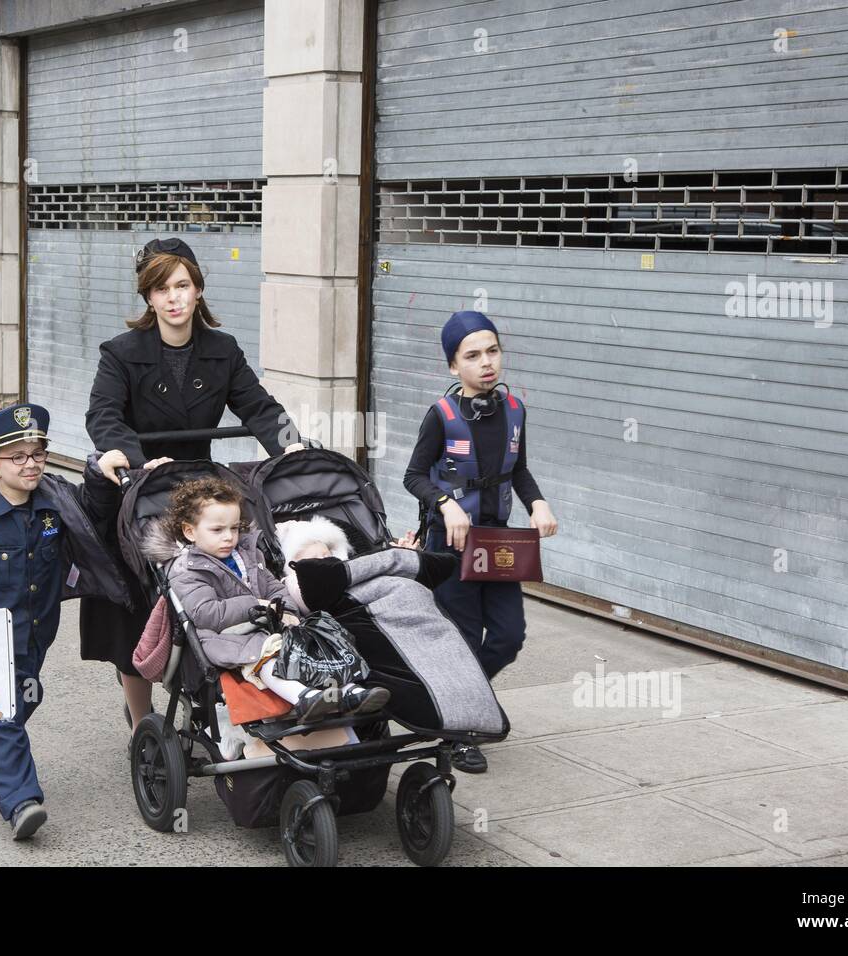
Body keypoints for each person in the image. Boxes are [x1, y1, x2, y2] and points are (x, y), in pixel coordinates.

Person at [83, 237, 303, 734]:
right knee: (138, 606)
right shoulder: (120, 353)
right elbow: (104, 416)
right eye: (161, 289)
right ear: (149, 298)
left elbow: (260, 408)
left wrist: (291, 447)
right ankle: (142, 720)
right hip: (140, 490)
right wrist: (138, 460)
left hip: (199, 490)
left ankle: (232, 694)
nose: (173, 297)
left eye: (182, 285)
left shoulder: (221, 351)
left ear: (198, 289)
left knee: (230, 580)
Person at [0, 403, 131, 839]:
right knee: (4, 711)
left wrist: (98, 471)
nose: (31, 464)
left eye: (37, 453)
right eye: (18, 457)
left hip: (37, 630)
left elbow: (95, 511)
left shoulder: (56, 502)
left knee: (26, 698)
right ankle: (21, 802)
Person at [404, 310, 559, 773]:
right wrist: (447, 503)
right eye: (472, 355)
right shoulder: (441, 415)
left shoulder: (515, 410)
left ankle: (471, 699)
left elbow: (520, 469)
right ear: (454, 367)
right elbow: (413, 475)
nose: (486, 362)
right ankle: (458, 731)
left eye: (492, 351)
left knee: (510, 636)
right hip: (450, 547)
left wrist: (539, 503)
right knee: (465, 637)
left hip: (497, 546)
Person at [143, 477, 388, 721]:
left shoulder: (247, 554)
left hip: (267, 624)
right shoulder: (187, 569)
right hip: (225, 637)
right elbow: (205, 613)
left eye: (234, 528)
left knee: (313, 646)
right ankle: (303, 697)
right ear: (190, 531)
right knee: (268, 657)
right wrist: (254, 605)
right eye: (217, 530)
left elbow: (272, 587)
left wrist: (288, 609)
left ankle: (348, 691)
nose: (229, 537)